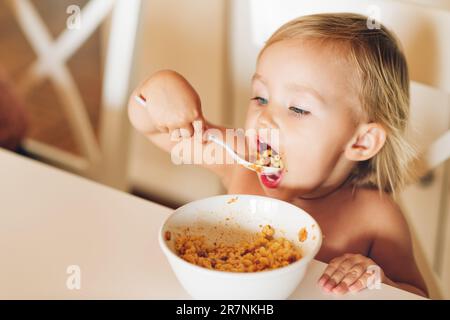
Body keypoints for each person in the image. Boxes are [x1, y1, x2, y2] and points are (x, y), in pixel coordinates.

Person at [128, 13, 428, 297]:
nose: (264, 119)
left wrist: (378, 281)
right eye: (260, 97)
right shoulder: (240, 160)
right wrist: (160, 89)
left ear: (361, 141)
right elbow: (152, 127)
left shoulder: (375, 217)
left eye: (298, 108)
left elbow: (417, 295)